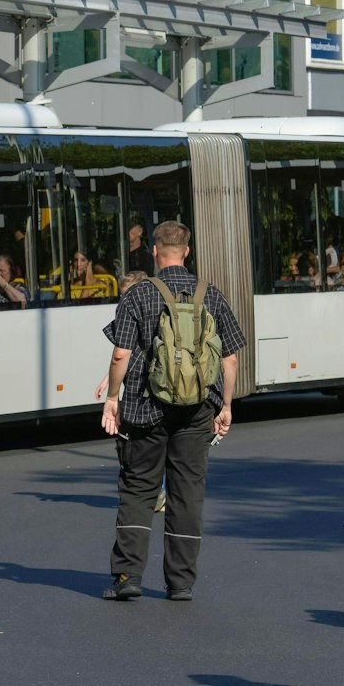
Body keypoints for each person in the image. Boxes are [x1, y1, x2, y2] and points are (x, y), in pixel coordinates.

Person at [100, 220, 243, 602]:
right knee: (187, 493)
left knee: (138, 489)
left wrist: (112, 398)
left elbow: (121, 354)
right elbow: (230, 359)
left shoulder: (139, 294)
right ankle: (180, 583)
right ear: (187, 251)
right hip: (197, 410)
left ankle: (127, 576)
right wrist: (226, 405)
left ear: (155, 251)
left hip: (145, 408)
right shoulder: (210, 294)